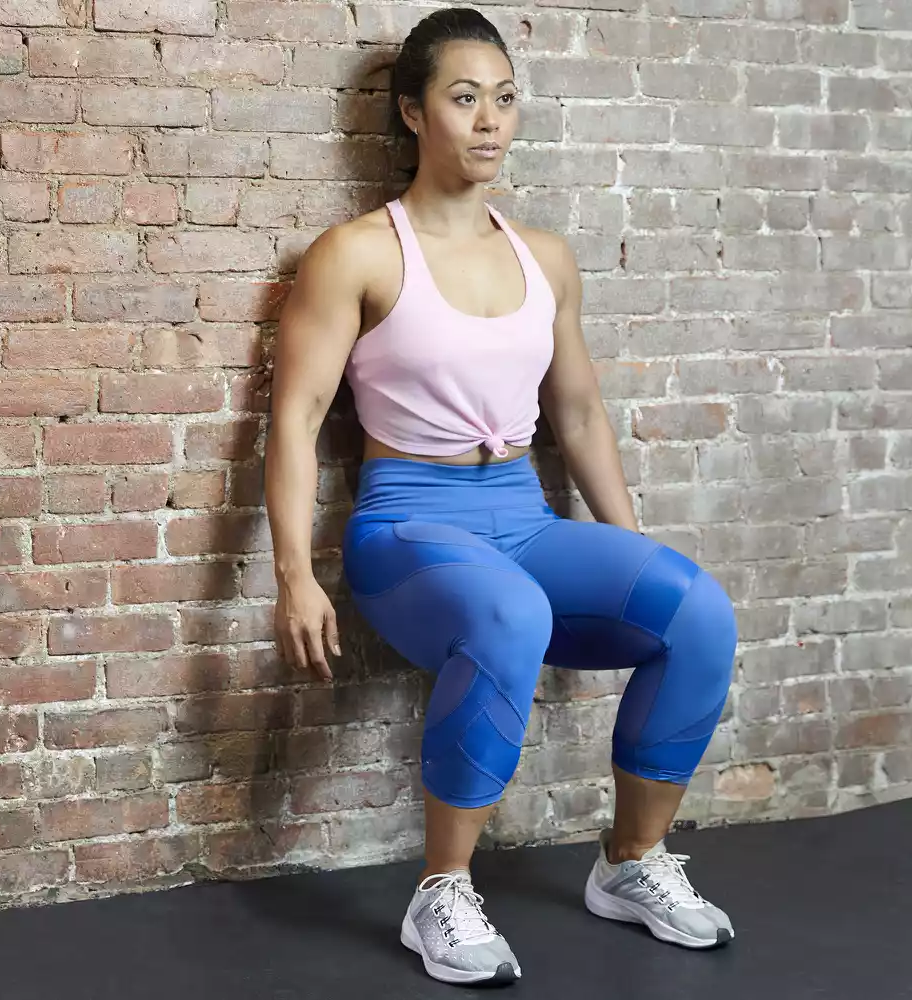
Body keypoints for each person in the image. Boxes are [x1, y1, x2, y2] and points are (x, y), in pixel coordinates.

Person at [263, 7, 740, 988]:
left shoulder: (544, 258)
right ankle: (441, 891)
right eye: (463, 97)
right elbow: (294, 420)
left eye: (506, 99)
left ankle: (632, 861)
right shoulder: (357, 252)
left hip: (522, 516)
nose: (489, 120)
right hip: (407, 524)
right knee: (510, 611)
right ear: (411, 112)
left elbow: (578, 413)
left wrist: (632, 559)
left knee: (696, 607)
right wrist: (292, 577)